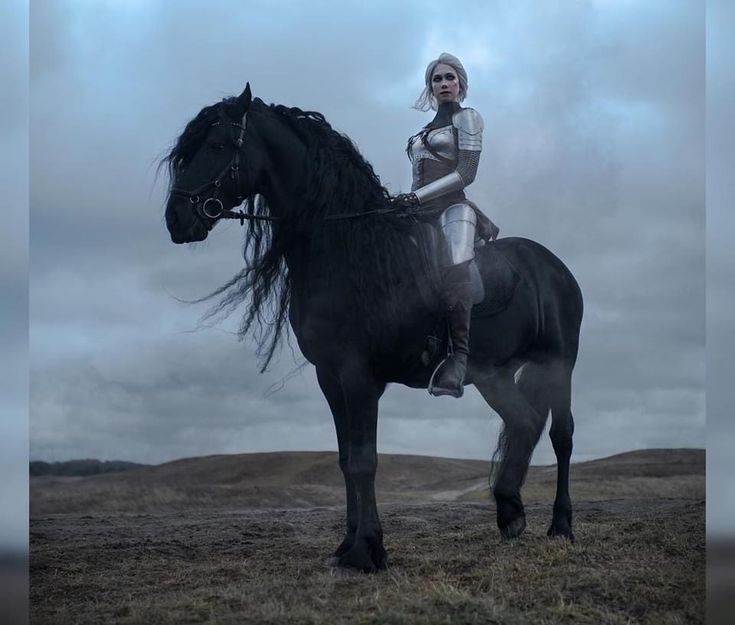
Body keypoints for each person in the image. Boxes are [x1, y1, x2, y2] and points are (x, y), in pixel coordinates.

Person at [393, 52, 497, 398]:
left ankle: (459, 358)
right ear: (430, 87)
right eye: (437, 79)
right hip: (418, 210)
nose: (444, 84)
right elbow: (416, 180)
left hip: (453, 209)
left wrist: (418, 199)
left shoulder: (467, 119)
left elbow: (466, 173)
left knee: (455, 264)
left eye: (449, 78)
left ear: (460, 84)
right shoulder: (422, 132)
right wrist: (404, 203)